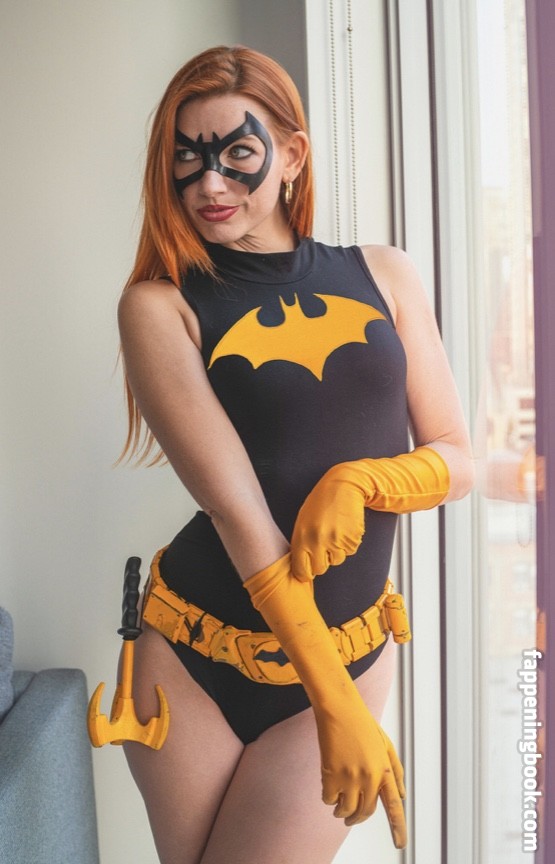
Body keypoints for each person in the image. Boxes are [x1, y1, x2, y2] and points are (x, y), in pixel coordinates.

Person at [116, 44, 474, 864]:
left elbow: (454, 457)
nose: (209, 184)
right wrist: (334, 705)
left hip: (350, 645)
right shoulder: (159, 306)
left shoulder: (384, 275)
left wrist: (361, 480)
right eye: (186, 159)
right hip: (194, 653)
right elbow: (237, 514)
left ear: (292, 154)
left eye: (236, 153)